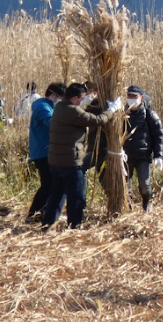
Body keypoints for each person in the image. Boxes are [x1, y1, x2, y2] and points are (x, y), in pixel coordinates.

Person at [42, 83, 121, 230]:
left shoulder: (59, 107)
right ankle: (74, 226)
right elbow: (98, 120)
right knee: (76, 196)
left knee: (57, 194)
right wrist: (112, 109)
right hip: (70, 162)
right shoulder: (73, 112)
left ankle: (47, 224)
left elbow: (77, 112)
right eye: (81, 98)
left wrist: (87, 101)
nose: (82, 101)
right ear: (74, 98)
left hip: (56, 161)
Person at [25, 82, 66, 222]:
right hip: (43, 152)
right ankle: (34, 215)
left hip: (46, 151)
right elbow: (51, 123)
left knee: (50, 184)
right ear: (54, 95)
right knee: (48, 184)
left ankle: (41, 214)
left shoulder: (49, 106)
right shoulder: (42, 106)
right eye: (61, 97)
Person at [121, 86, 163, 212]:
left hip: (143, 156)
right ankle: (127, 209)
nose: (131, 99)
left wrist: (158, 155)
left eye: (134, 97)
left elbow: (158, 135)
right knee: (125, 187)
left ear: (142, 98)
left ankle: (146, 204)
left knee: (145, 186)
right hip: (125, 157)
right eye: (129, 96)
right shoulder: (122, 114)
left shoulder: (149, 114)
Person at [81, 82, 108, 174]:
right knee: (100, 174)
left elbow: (99, 120)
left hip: (103, 147)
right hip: (94, 145)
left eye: (88, 92)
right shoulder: (92, 104)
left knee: (82, 167)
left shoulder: (104, 105)